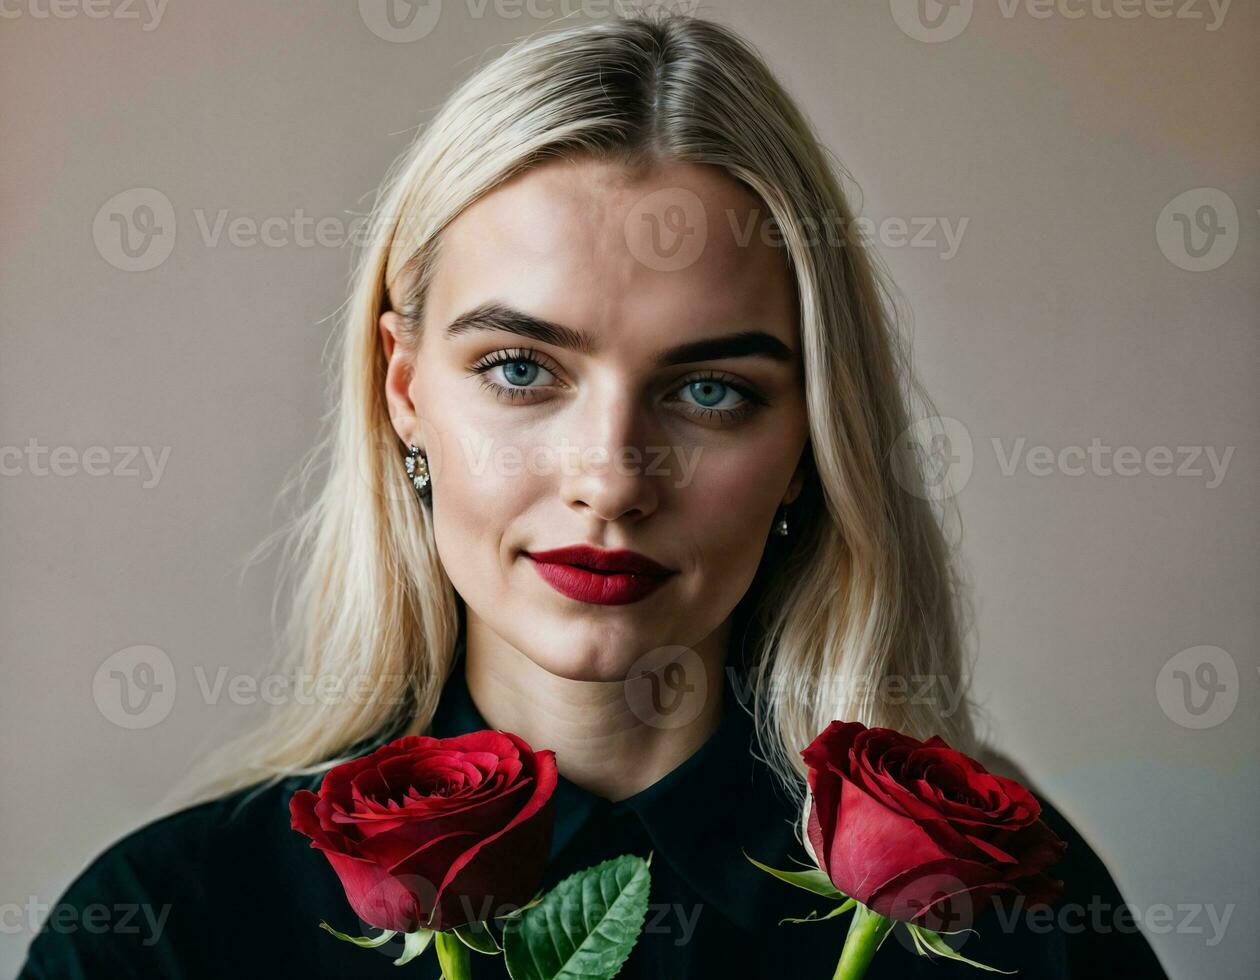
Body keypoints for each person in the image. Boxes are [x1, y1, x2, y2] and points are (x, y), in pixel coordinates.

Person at [20, 12, 1168, 979]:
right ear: (405, 390)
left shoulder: (1021, 926)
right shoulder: (169, 931)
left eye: (711, 388)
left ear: (812, 436)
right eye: (521, 370)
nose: (613, 478)